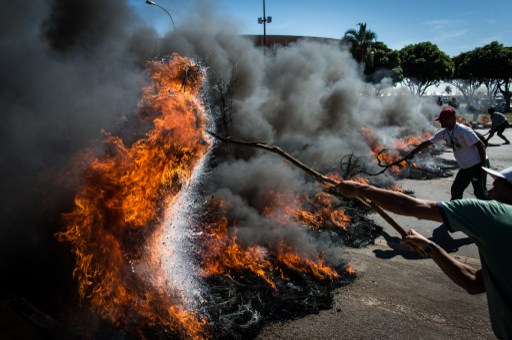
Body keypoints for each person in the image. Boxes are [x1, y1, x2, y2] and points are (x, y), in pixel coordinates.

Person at [337, 165, 512, 338]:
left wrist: (359, 189)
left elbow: (409, 206)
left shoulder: (492, 213)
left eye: (500, 182)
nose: (492, 185)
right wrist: (430, 247)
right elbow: (474, 282)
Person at [405, 107, 487, 200]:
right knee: (456, 190)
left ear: (450, 119)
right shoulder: (444, 133)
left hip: (476, 165)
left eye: (442, 120)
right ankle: (455, 212)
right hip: (465, 167)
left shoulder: (463, 130)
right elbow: (427, 142)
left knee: (480, 193)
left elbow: (481, 146)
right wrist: (412, 153)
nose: (440, 123)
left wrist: (483, 166)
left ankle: (495, 211)